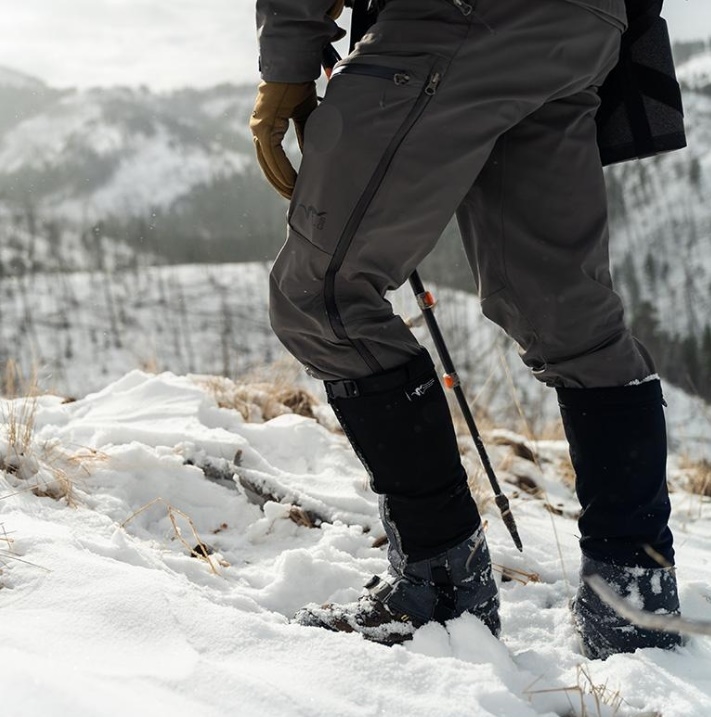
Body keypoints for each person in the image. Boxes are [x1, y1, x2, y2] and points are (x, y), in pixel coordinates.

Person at [250, 0, 682, 658]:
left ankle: (443, 586)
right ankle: (634, 595)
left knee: (322, 295)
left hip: (454, 17)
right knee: (566, 312)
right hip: (586, 27)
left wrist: (286, 62)